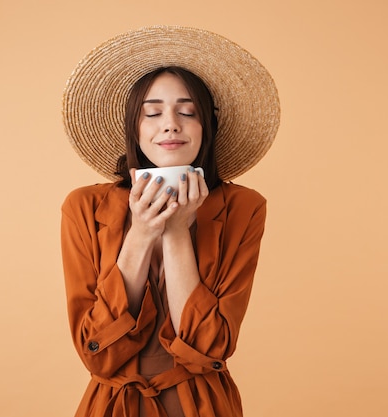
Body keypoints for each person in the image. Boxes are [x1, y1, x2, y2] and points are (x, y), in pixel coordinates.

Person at [60, 26, 280, 417]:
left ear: (206, 128)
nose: (170, 124)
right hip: (112, 407)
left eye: (187, 111)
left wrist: (178, 232)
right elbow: (97, 353)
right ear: (135, 127)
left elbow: (209, 349)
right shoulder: (85, 207)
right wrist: (142, 234)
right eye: (152, 112)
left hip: (204, 406)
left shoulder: (243, 207)